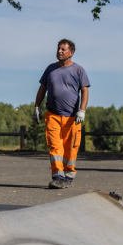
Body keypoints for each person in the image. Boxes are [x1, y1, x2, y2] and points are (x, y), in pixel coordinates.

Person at [33, 39, 90, 189]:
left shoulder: (79, 70)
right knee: (55, 146)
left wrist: (82, 110)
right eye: (59, 48)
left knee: (71, 147)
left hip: (72, 117)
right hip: (53, 115)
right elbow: (42, 88)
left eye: (63, 49)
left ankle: (69, 177)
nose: (60, 51)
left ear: (71, 53)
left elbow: (85, 90)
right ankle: (57, 176)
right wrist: (37, 107)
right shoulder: (50, 69)